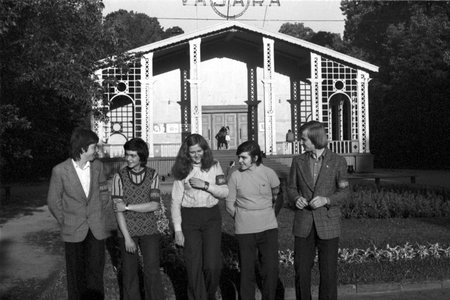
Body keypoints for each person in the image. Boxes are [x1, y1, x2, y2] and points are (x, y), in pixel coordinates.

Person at [47, 128, 113, 300]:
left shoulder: (98, 167)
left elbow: (104, 192)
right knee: (76, 276)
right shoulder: (60, 170)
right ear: (83, 148)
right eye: (93, 147)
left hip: (96, 230)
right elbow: (54, 201)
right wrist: (66, 221)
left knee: (96, 274)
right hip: (73, 231)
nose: (96, 151)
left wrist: (99, 212)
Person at [287, 121, 349, 300]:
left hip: (328, 223)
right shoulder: (298, 161)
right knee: (301, 271)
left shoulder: (338, 161)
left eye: (304, 139)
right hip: (303, 223)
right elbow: (290, 188)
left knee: (328, 272)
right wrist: (296, 199)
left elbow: (345, 191)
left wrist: (326, 200)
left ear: (315, 138)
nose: (301, 142)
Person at [171, 134, 229, 300]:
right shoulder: (182, 170)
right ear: (186, 153)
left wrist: (206, 186)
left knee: (213, 266)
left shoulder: (215, 166)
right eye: (192, 152)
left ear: (205, 150)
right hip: (190, 217)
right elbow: (175, 202)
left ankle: (208, 294)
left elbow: (224, 192)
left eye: (199, 151)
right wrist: (178, 230)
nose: (196, 155)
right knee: (193, 265)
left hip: (211, 216)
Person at [226, 140, 280, 300]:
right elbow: (229, 204)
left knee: (270, 269)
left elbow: (278, 196)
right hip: (245, 230)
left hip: (268, 228)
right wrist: (242, 217)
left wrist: (269, 214)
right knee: (247, 270)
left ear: (255, 158)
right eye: (239, 157)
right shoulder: (235, 176)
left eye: (243, 158)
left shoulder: (269, 173)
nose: (239, 161)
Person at [112, 138, 165, 300]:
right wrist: (127, 238)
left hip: (149, 229)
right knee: (129, 272)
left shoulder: (152, 175)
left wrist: (128, 206)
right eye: (127, 154)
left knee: (152, 270)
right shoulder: (118, 177)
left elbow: (154, 205)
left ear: (141, 157)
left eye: (133, 155)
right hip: (127, 231)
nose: (128, 158)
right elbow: (117, 210)